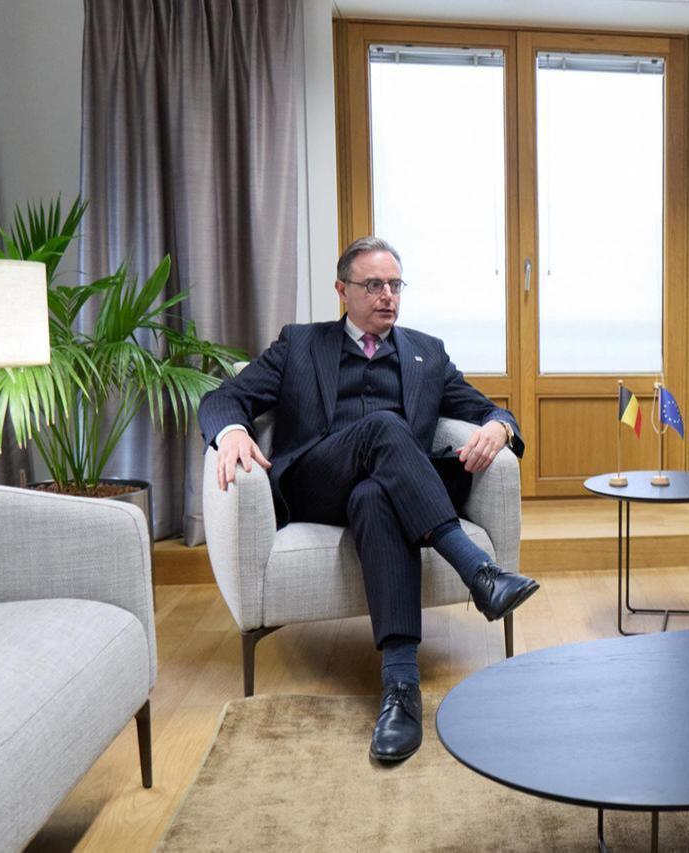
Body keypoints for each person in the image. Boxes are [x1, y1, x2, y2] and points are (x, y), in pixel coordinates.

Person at [199, 236, 539, 763]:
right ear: (342, 290)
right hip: (315, 483)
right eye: (373, 285)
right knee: (383, 426)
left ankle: (400, 690)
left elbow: (488, 408)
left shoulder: (428, 352)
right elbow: (223, 398)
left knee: (377, 497)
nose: (388, 296)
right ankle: (478, 571)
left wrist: (498, 425)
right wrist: (232, 433)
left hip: (383, 491)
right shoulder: (300, 343)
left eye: (395, 284)